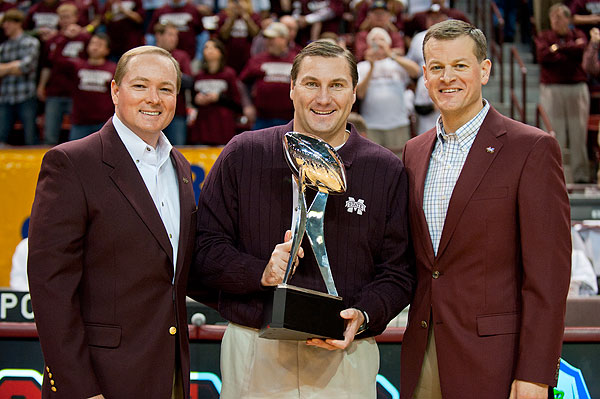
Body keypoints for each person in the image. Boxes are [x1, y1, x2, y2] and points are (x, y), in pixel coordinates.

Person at [191, 39, 415, 398]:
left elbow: (398, 271)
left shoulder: (385, 170)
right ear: (292, 88)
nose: (323, 98)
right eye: (311, 83)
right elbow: (204, 249)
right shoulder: (243, 153)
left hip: (345, 352)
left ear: (354, 92)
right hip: (254, 346)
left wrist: (363, 316)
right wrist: (260, 272)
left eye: (337, 85)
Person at [400, 19, 571, 399]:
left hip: (499, 362)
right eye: (437, 68)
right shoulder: (414, 151)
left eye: (460, 65)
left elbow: (548, 277)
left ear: (485, 70)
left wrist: (536, 373)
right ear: (424, 75)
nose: (448, 77)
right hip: (424, 355)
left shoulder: (532, 148)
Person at [28, 45, 197, 399]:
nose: (153, 98)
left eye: (165, 89)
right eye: (140, 86)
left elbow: (175, 272)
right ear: (115, 91)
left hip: (168, 376)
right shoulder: (71, 163)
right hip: (99, 383)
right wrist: (80, 389)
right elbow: (51, 287)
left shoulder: (180, 167)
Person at [535, 3, 590, 183]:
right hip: (552, 87)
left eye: (560, 17)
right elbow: (543, 56)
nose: (556, 21)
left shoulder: (578, 35)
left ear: (568, 19)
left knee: (578, 133)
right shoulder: (544, 36)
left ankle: (580, 176)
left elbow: (581, 51)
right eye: (553, 18)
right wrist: (569, 49)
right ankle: (554, 177)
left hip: (576, 87)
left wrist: (558, 48)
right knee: (553, 134)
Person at [357, 27, 419, 153]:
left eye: (381, 39)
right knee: (372, 163)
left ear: (388, 43)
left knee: (399, 161)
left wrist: (391, 54)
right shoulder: (362, 66)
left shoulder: (397, 63)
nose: (377, 42)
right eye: (374, 39)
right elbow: (360, 94)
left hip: (398, 123)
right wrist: (371, 67)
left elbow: (416, 71)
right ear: (368, 44)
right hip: (371, 125)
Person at [37, 3, 90, 145]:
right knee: (50, 135)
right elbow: (47, 65)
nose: (65, 20)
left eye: (68, 17)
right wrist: (42, 85)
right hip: (55, 91)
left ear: (76, 17)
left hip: (76, 93)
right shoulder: (53, 40)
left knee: (77, 138)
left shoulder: (85, 38)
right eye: (62, 18)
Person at [239, 21, 297, 129]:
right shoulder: (257, 60)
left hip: (290, 119)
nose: (268, 42)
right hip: (262, 118)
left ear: (284, 39)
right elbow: (242, 83)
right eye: (267, 39)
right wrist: (247, 105)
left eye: (273, 38)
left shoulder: (295, 60)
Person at [64, 33, 117, 140]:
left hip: (104, 123)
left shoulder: (113, 69)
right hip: (80, 122)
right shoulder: (77, 66)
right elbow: (57, 61)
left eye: (100, 44)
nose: (95, 47)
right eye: (93, 43)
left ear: (107, 50)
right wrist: (66, 37)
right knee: (75, 154)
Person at [189, 38, 241, 145]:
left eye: (213, 47)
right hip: (202, 126)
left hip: (223, 126)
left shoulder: (229, 74)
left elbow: (237, 103)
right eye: (206, 47)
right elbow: (193, 100)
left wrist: (218, 98)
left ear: (221, 52)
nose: (209, 50)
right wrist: (197, 100)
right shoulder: (199, 75)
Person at [0, 9, 40, 146]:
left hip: (26, 96)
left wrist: (5, 67)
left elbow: (25, 67)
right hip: (6, 96)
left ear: (18, 23)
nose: (5, 26)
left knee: (30, 138)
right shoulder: (3, 46)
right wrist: (14, 65)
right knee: (1, 137)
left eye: (8, 23)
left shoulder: (31, 42)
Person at [154, 21, 193, 145]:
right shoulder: (149, 55)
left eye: (176, 35)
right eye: (170, 35)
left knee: (177, 151)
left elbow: (188, 82)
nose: (174, 39)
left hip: (176, 113)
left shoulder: (181, 56)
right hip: (152, 111)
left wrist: (166, 74)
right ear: (158, 36)